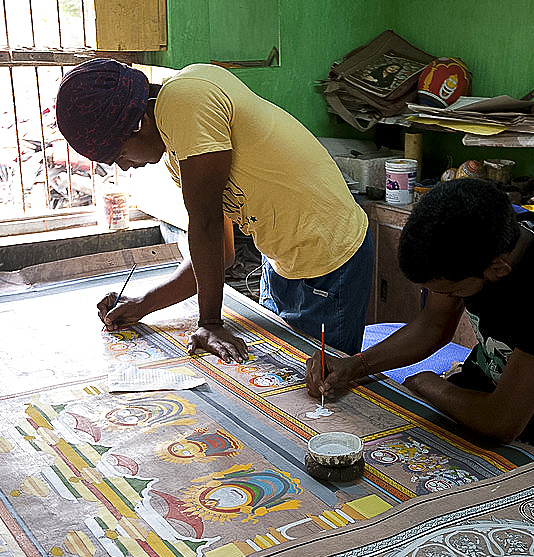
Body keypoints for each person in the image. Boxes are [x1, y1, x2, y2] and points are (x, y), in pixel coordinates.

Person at [54, 59, 372, 361]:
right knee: (278, 381)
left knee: (323, 396)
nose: (126, 166)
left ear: (141, 121)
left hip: (329, 260)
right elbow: (220, 254)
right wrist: (142, 305)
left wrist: (210, 322)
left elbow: (205, 223)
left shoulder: (185, 101)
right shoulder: (179, 151)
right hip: (281, 263)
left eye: (120, 154)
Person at [306, 178, 534, 457]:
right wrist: (356, 365)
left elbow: (502, 423)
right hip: (471, 398)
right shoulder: (486, 233)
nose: (449, 298)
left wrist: (431, 384)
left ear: (498, 269)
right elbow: (433, 324)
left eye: (453, 292)